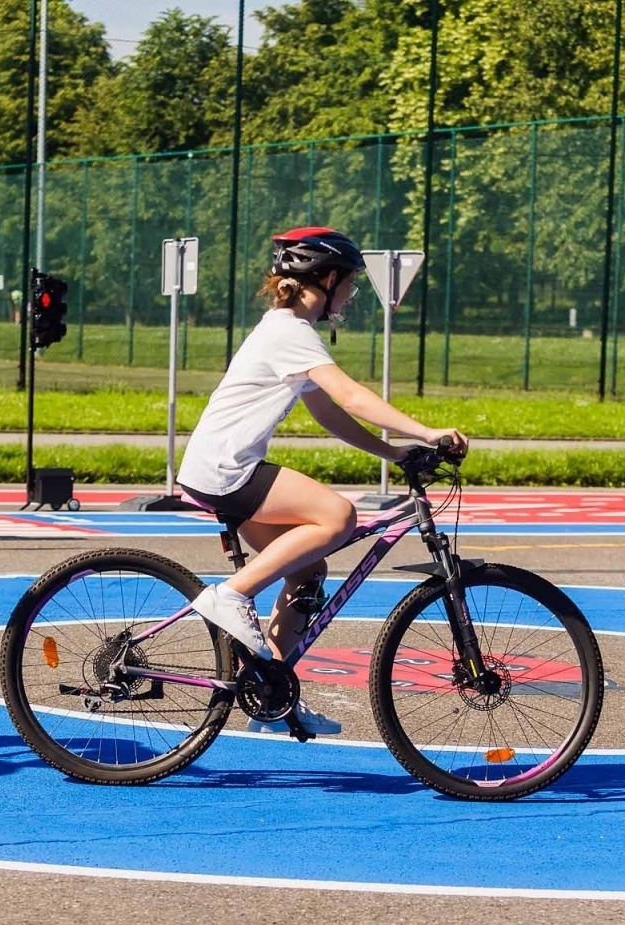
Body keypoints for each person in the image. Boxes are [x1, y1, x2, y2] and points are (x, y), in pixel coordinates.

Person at [177, 226, 468, 735]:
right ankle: (231, 594)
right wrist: (427, 431)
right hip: (228, 469)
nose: (352, 294)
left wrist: (394, 452)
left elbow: (329, 414)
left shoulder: (285, 331)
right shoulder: (291, 332)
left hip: (217, 468)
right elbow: (350, 396)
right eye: (349, 283)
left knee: (307, 572)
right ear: (327, 279)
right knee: (337, 515)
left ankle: (270, 695)